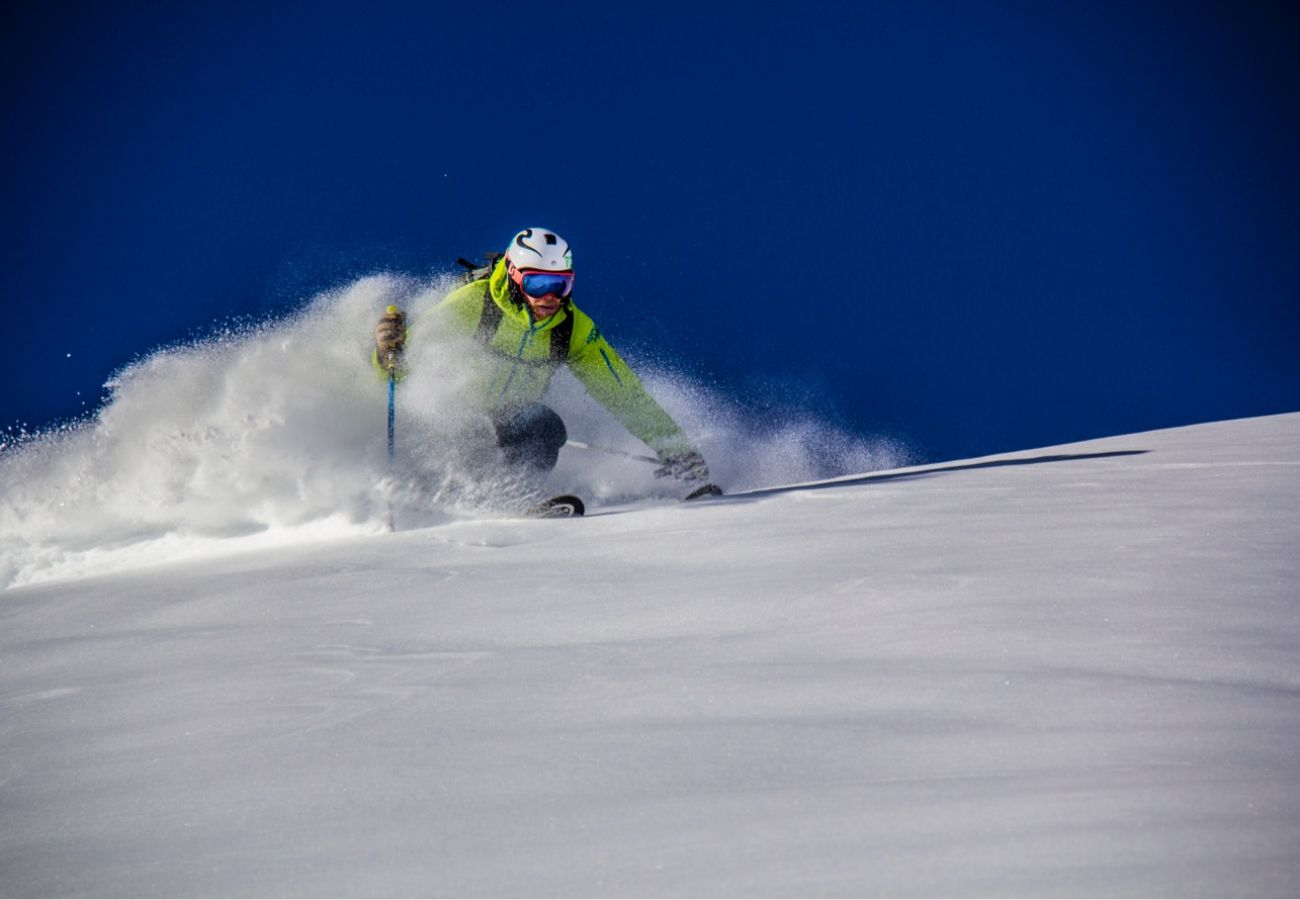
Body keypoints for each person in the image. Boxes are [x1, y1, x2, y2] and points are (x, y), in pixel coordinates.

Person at [373, 227, 710, 494]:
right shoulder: (474, 304)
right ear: (516, 277)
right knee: (471, 426)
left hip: (509, 422)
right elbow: (401, 371)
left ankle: (517, 495)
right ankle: (455, 489)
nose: (550, 297)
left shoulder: (572, 328)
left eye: (561, 285)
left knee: (545, 425)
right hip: (455, 419)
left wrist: (675, 447)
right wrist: (388, 350)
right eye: (539, 283)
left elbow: (623, 393)